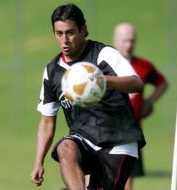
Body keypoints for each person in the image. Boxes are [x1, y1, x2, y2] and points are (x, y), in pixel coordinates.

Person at [30, 4, 146, 190]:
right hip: (84, 139)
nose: (65, 40)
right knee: (65, 148)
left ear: (84, 29)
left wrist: (101, 80)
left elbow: (137, 84)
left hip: (118, 139)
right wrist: (38, 161)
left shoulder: (102, 54)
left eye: (70, 32)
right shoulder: (52, 71)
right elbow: (47, 121)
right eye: (59, 33)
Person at [113, 23, 168, 190]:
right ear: (115, 40)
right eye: (124, 41)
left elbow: (162, 84)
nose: (128, 45)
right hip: (105, 130)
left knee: (127, 181)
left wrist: (149, 102)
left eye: (132, 41)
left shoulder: (144, 66)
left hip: (131, 132)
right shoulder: (105, 63)